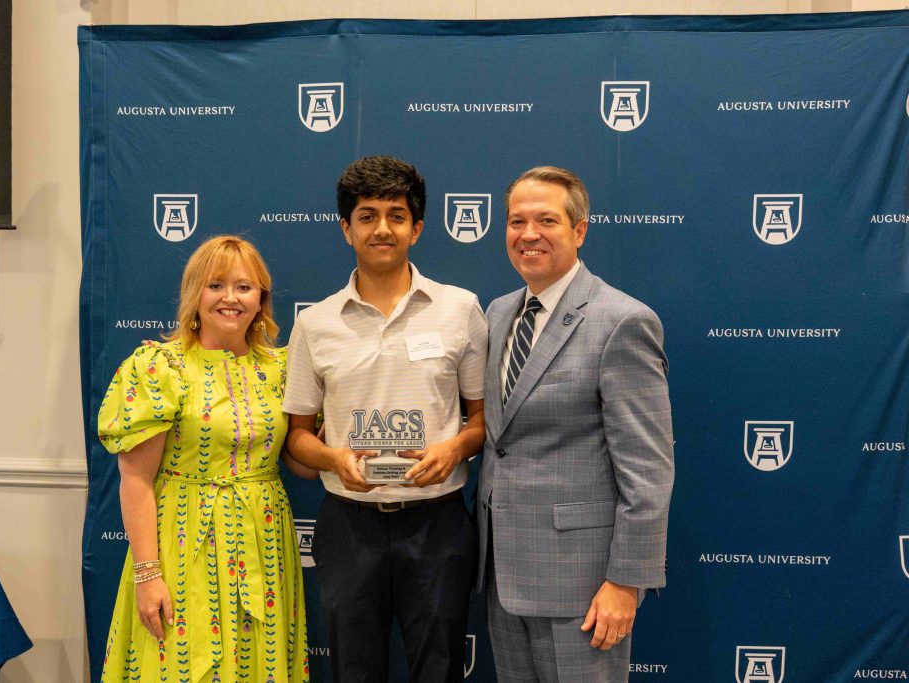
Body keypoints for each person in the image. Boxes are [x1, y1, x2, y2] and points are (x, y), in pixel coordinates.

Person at [283, 155, 487, 682]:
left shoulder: (460, 308)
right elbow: (297, 437)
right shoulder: (314, 323)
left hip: (437, 523)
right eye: (367, 215)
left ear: (417, 228)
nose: (382, 228)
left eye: (396, 215)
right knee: (354, 669)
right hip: (349, 524)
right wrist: (332, 457)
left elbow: (483, 422)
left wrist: (455, 449)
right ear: (345, 227)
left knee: (438, 668)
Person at [477, 166, 674, 682]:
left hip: (583, 586)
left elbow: (648, 471)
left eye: (547, 220)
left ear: (579, 230)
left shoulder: (622, 321)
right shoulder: (499, 313)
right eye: (516, 221)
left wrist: (626, 583)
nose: (528, 234)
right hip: (502, 574)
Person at [97, 235, 311, 682]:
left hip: (264, 540)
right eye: (216, 286)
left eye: (243, 287)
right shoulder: (160, 367)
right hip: (183, 541)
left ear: (261, 299)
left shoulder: (283, 368)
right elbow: (135, 479)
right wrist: (148, 574)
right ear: (195, 294)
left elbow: (301, 458)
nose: (230, 298)